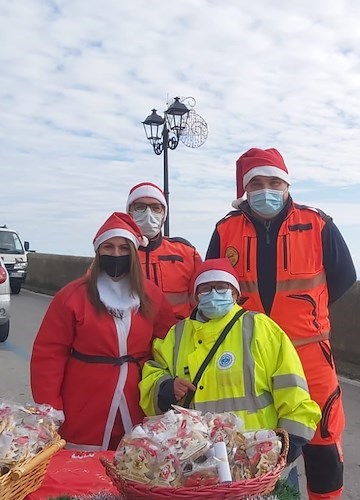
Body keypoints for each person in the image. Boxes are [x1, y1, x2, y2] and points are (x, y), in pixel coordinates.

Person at [205, 148, 357, 499]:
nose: (265, 189)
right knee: (254, 446)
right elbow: (212, 282)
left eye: (274, 182)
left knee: (323, 444)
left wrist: (308, 311)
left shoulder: (317, 224)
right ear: (245, 189)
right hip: (249, 355)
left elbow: (344, 275)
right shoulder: (226, 229)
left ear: (286, 185)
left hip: (310, 354)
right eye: (256, 183)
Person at [139, 258, 322, 465]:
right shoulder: (177, 334)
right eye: (205, 289)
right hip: (195, 460)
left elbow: (292, 388)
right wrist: (166, 387)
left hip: (256, 456)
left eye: (221, 287)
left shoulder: (259, 328)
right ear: (196, 296)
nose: (213, 293)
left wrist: (289, 444)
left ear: (235, 294)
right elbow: (154, 371)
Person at [30, 212, 177, 451]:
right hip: (84, 399)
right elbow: (48, 354)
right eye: (109, 246)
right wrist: (50, 407)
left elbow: (169, 345)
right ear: (98, 251)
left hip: (136, 396)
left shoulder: (151, 296)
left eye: (123, 247)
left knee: (137, 463)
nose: (116, 254)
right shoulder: (72, 296)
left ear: (133, 251)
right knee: (81, 467)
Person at [126, 182, 202, 320]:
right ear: (129, 212)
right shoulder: (117, 252)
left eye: (156, 208)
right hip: (134, 336)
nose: (148, 213)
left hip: (179, 335)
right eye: (140, 207)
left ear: (164, 213)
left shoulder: (186, 253)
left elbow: (202, 297)